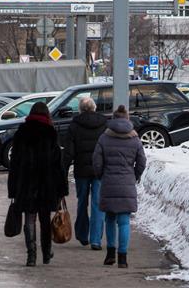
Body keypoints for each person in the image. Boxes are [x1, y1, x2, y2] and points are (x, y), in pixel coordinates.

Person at [7, 101, 68, 267]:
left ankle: (31, 256)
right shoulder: (50, 133)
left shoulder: (21, 132)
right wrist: (62, 188)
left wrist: (12, 189)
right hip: (46, 185)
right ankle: (46, 254)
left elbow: (15, 164)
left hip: (26, 185)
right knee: (44, 220)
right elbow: (58, 164)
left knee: (29, 219)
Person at [92, 105, 147, 269]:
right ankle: (122, 258)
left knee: (110, 219)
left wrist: (101, 175)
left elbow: (96, 161)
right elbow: (142, 162)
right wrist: (134, 175)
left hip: (108, 182)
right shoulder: (135, 139)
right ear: (127, 119)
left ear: (114, 119)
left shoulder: (104, 138)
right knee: (124, 221)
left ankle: (110, 253)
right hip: (127, 183)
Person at [63, 97, 107, 250]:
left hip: (81, 170)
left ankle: (82, 235)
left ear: (80, 109)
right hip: (99, 170)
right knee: (97, 203)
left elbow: (68, 152)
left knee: (82, 201)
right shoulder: (104, 123)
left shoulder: (74, 125)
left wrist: (64, 169)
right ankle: (95, 240)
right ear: (94, 108)